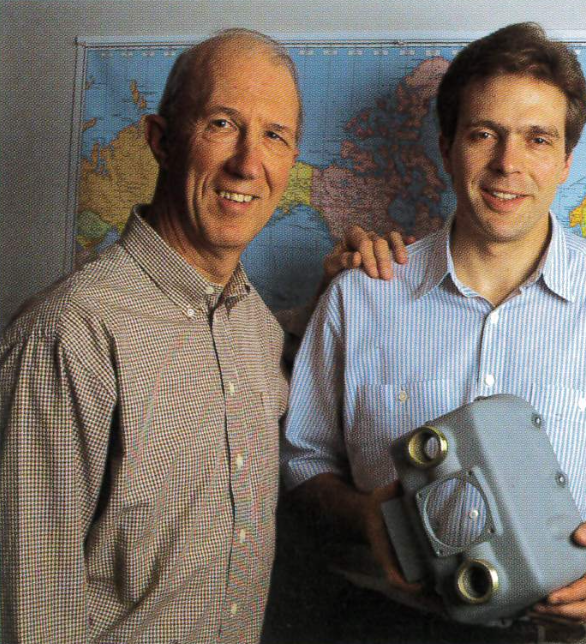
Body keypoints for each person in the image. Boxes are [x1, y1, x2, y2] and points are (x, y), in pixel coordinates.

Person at [281, 22, 586, 644]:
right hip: (380, 625)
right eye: (483, 133)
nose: (507, 164)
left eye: (537, 139)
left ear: (567, 160)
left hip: (558, 632)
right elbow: (302, 462)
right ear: (447, 145)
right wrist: (362, 515)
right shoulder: (361, 295)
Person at [0, 29, 407, 644]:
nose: (249, 163)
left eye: (275, 136)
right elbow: (31, 613)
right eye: (221, 124)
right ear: (161, 142)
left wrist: (337, 298)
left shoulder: (255, 329)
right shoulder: (68, 336)